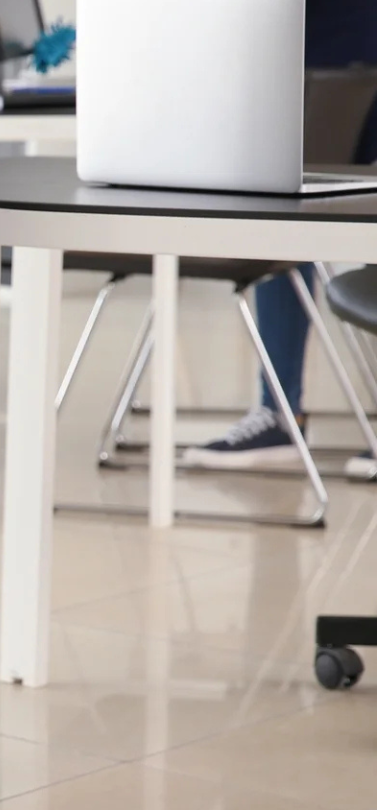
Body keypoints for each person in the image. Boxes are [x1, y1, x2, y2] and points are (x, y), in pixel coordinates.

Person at [182, 0, 377, 475]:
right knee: (285, 220)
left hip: (325, 57)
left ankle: (280, 414)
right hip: (315, 50)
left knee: (281, 219)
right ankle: (280, 413)